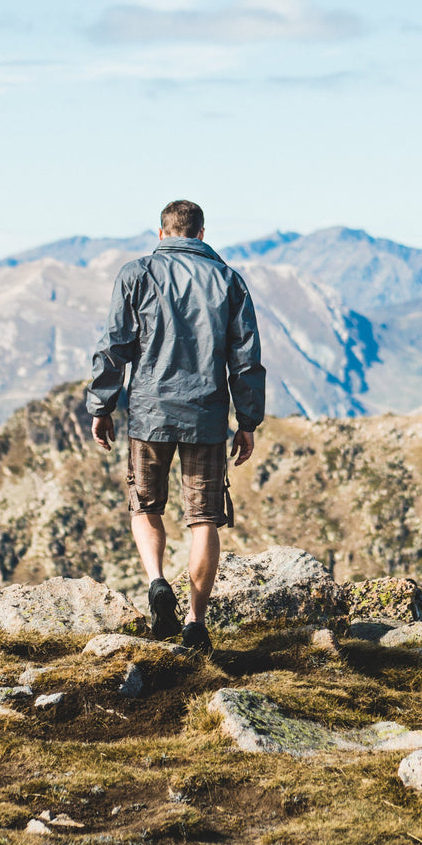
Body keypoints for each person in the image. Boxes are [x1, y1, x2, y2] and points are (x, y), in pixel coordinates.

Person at [86, 200, 265, 651]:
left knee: (145, 505)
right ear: (201, 234)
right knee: (204, 519)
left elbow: (115, 345)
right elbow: (245, 361)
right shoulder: (228, 280)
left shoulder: (136, 274)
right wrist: (247, 422)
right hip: (206, 415)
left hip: (149, 413)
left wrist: (101, 405)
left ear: (162, 233)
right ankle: (195, 622)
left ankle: (156, 581)